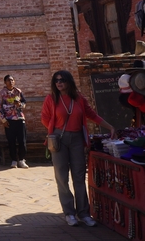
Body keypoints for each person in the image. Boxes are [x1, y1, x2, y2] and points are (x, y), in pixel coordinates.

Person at [41, 70, 115, 228]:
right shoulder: (51, 98)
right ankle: (69, 213)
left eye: (62, 80)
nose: (59, 83)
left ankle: (84, 213)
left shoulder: (79, 98)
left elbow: (92, 115)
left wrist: (110, 127)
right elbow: (44, 118)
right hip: (58, 139)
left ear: (69, 81)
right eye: (56, 80)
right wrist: (53, 131)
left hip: (76, 139)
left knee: (79, 176)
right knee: (62, 177)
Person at [0, 75, 28, 169]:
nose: (10, 82)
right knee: (11, 141)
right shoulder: (1, 93)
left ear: (14, 81)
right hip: (9, 120)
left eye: (12, 80)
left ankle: (22, 160)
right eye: (8, 80)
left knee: (22, 141)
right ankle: (14, 160)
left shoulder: (18, 91)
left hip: (19, 118)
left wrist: (20, 105)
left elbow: (24, 103)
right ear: (5, 82)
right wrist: (3, 120)